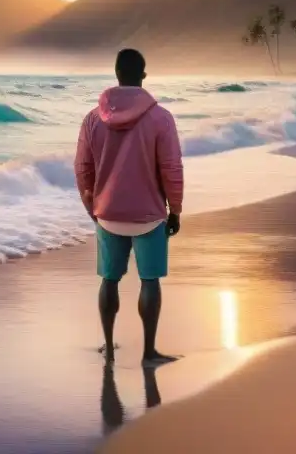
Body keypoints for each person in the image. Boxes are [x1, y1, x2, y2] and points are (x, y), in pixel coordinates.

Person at [74, 48, 184, 367]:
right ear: (143, 75)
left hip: (108, 214)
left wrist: (93, 206)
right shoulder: (161, 118)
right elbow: (171, 168)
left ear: (117, 74)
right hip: (149, 215)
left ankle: (108, 347)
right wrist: (175, 208)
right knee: (149, 282)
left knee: (109, 280)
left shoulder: (93, 119)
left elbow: (82, 168)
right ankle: (149, 353)